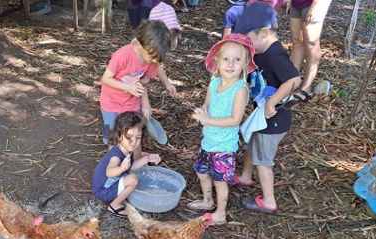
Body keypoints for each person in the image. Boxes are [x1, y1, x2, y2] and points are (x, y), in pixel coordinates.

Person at [232, 2, 301, 214]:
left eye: (248, 40)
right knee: (252, 144)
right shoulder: (261, 51)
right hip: (261, 116)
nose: (247, 45)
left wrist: (272, 102)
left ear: (263, 33)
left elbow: (293, 80)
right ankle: (245, 176)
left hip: (273, 119)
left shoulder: (274, 54)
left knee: (263, 159)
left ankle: (268, 200)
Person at [186, 34, 256, 225]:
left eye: (237, 60)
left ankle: (221, 213)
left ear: (245, 64)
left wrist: (209, 119)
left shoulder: (240, 89)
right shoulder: (215, 82)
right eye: (226, 59)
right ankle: (208, 201)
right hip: (208, 142)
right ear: (217, 61)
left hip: (224, 146)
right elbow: (207, 104)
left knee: (220, 180)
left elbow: (235, 120)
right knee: (201, 172)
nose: (231, 64)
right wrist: (202, 112)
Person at [99, 20, 172, 148]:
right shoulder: (122, 56)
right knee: (112, 138)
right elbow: (105, 79)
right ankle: (113, 163)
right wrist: (127, 87)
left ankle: (136, 163)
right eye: (152, 56)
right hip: (111, 103)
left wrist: (145, 103)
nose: (154, 61)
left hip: (132, 103)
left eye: (157, 58)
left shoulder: (150, 59)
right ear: (139, 45)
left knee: (135, 136)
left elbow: (145, 81)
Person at [92, 112, 161, 219]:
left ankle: (121, 195)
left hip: (109, 185)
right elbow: (109, 172)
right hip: (103, 190)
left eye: (138, 137)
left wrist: (147, 159)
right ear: (118, 136)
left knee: (132, 176)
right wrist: (121, 168)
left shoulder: (126, 150)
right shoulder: (116, 156)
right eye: (129, 137)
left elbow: (131, 166)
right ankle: (114, 205)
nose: (134, 142)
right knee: (132, 180)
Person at [288, 0, 332, 99]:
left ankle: (306, 88)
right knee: (297, 40)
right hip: (296, 3)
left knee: (311, 43)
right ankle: (291, 82)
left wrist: (315, 5)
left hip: (313, 3)